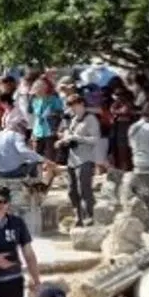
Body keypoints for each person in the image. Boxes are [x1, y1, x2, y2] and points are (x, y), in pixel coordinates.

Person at [58, 95, 101, 227]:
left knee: (84, 189)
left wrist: (77, 138)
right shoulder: (73, 119)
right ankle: (78, 216)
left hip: (86, 159)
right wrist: (64, 140)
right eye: (70, 105)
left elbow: (95, 139)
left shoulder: (91, 119)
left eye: (74, 105)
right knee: (72, 190)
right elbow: (65, 133)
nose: (72, 108)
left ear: (81, 104)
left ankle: (89, 216)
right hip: (72, 159)